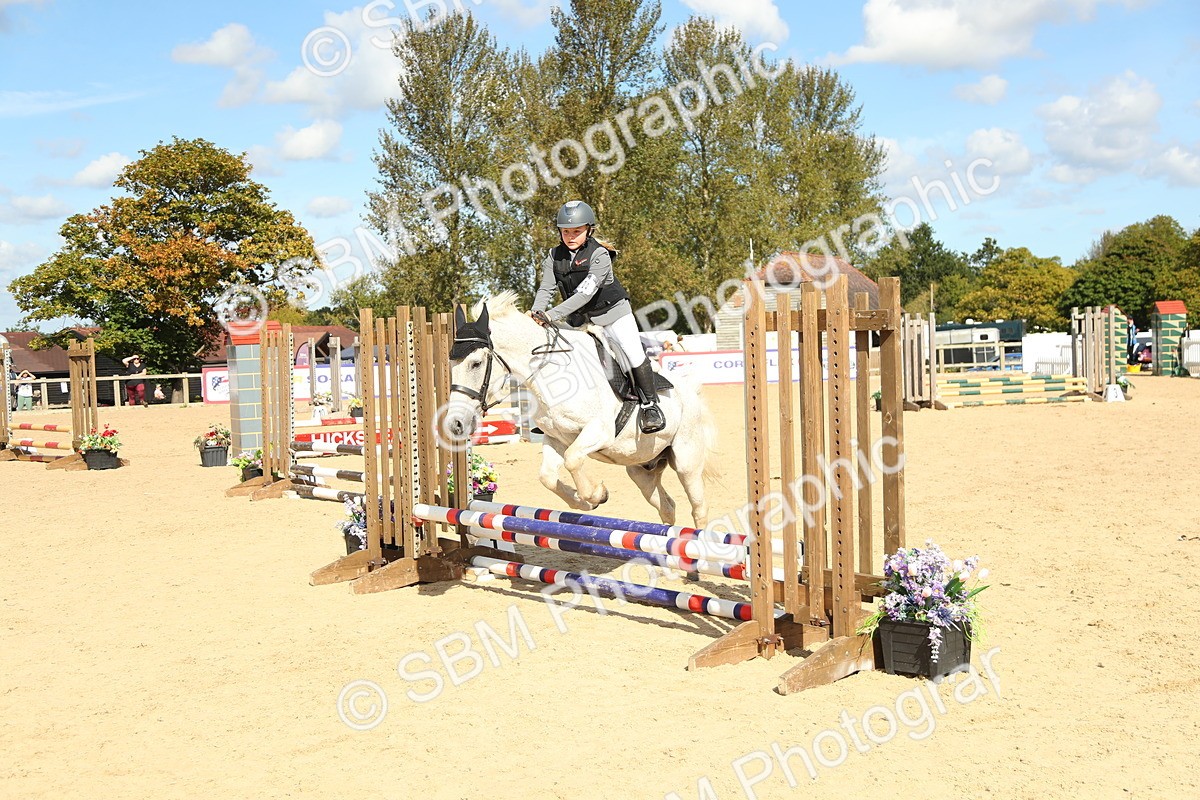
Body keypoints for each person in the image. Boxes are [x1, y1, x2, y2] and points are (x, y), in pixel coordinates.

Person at [530, 200, 665, 434]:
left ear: (589, 230)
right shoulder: (554, 255)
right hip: (581, 319)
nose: (570, 236)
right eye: (565, 231)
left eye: (576, 231)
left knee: (632, 353)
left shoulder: (599, 254)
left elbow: (584, 294)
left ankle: (650, 406)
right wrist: (536, 312)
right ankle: (558, 412)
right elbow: (546, 289)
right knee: (560, 356)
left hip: (613, 314)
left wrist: (550, 315)